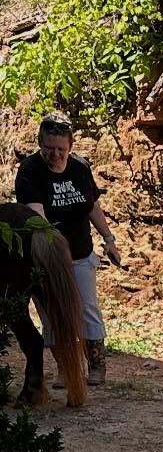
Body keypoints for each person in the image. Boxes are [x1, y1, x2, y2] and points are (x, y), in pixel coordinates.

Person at [15, 113, 121, 387]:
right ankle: (66, 368)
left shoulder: (79, 168)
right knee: (53, 313)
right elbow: (40, 221)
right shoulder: (29, 171)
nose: (55, 154)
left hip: (81, 253)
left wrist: (108, 238)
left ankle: (96, 365)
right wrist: (55, 261)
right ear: (40, 143)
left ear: (70, 146)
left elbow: (92, 205)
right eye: (49, 148)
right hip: (48, 258)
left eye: (61, 149)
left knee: (87, 308)